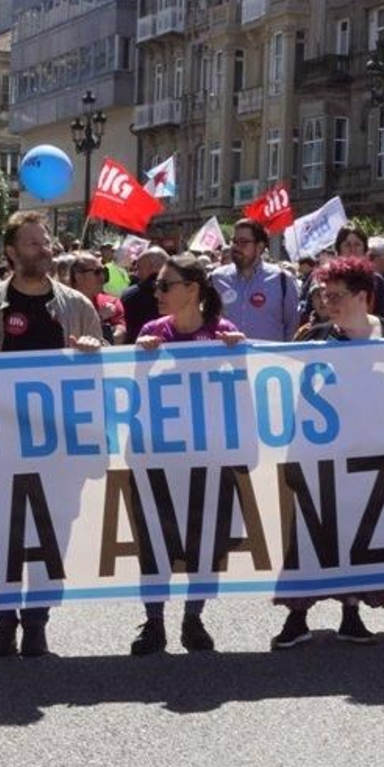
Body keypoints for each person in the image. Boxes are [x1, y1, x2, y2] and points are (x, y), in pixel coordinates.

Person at [0, 213, 105, 658]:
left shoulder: (78, 308)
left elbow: (98, 382)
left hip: (59, 448)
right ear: (10, 252)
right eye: (33, 243)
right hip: (0, 448)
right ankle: (3, 619)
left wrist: (91, 357)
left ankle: (38, 619)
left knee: (51, 533)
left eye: (46, 242)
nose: (44, 249)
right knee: (0, 532)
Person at [273, 256, 384, 649]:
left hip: (373, 455)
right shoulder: (314, 337)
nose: (329, 303)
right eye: (324, 294)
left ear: (364, 296)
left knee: (361, 532)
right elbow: (281, 383)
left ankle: (351, 613)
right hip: (320, 457)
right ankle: (297, 616)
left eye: (337, 295)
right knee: (311, 534)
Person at [133, 254, 244, 654]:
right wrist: (140, 363)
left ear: (192, 289)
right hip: (159, 458)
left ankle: (193, 618)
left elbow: (242, 399)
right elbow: (133, 398)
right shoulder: (151, 333)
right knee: (154, 540)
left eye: (166, 286)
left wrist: (239, 359)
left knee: (206, 540)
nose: (157, 293)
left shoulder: (224, 333)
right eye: (156, 286)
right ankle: (154, 622)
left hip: (209, 459)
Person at [212, 218, 300, 341]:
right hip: (227, 358)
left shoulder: (282, 280)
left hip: (272, 359)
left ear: (259, 247)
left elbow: (293, 327)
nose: (236, 247)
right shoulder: (217, 279)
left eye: (243, 242)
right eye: (234, 242)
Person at [118, 246, 169, 343]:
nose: (137, 274)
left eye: (139, 268)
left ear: (152, 267)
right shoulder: (181, 292)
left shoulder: (130, 295)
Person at [69, 250, 123, 340]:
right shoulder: (62, 305)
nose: (102, 277)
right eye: (97, 272)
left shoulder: (112, 303)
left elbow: (119, 338)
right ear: (79, 277)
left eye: (104, 271)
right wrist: (99, 317)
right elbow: (69, 338)